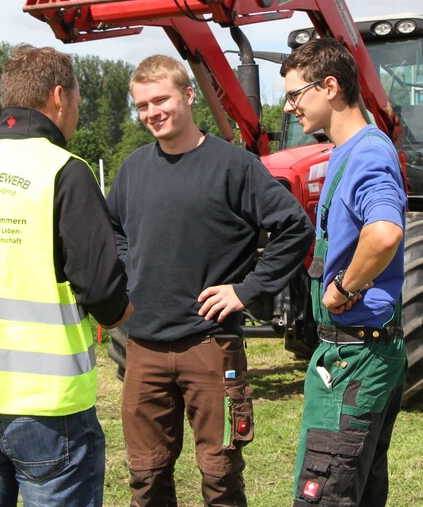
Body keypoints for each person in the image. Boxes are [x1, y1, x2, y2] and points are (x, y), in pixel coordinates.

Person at [0, 44, 131, 507]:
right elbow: (101, 288)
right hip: (45, 399)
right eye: (77, 101)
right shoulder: (62, 171)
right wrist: (123, 312)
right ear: (59, 96)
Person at [108, 54, 312, 507]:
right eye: (141, 106)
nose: (151, 113)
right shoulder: (133, 169)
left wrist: (246, 291)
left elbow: (295, 227)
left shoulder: (233, 166)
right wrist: (130, 271)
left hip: (211, 345)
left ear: (188, 95)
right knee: (146, 474)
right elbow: (114, 229)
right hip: (144, 346)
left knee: (219, 474)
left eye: (160, 100)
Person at [282, 39, 408, 506]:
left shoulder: (366, 154)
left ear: (330, 87)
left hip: (354, 361)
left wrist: (340, 288)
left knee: (324, 497)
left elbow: (384, 233)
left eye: (297, 94)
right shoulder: (346, 151)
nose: (291, 107)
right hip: (357, 355)